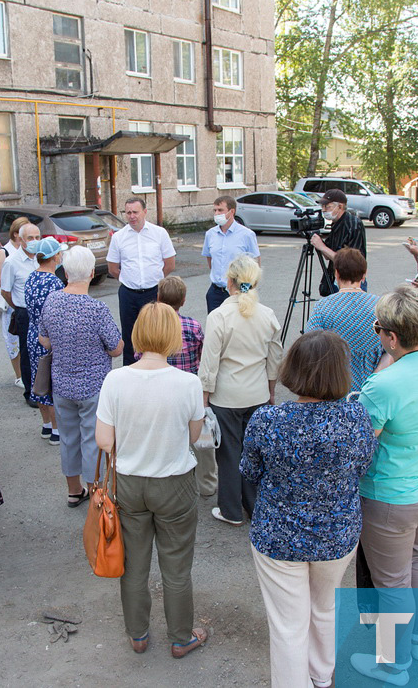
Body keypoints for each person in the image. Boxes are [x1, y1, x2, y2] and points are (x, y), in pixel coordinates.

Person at [240, 330, 376, 688]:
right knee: (326, 606)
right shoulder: (356, 418)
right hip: (338, 532)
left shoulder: (267, 420)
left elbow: (250, 472)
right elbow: (362, 467)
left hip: (278, 535)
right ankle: (321, 675)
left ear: (293, 368)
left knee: (288, 624)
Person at [350, 286, 418, 685]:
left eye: (378, 329)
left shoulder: (384, 385)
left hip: (395, 499)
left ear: (391, 338)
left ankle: (392, 663)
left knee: (390, 581)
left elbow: (362, 444)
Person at [95, 302, 208, 659]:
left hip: (128, 482)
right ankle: (180, 637)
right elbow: (193, 436)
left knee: (133, 563)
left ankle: (138, 634)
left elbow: (104, 441)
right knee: (176, 565)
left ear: (137, 335)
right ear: (174, 337)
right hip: (174, 481)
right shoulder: (189, 383)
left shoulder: (116, 379)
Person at [198, 255, 283, 526]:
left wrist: (204, 400)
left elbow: (209, 363)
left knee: (229, 453)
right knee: (253, 453)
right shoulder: (267, 315)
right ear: (254, 282)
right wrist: (271, 391)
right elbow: (274, 359)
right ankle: (254, 504)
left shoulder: (219, 316)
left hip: (226, 396)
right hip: (257, 394)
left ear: (229, 281)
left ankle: (231, 510)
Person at [39, 246, 123, 507]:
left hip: (62, 382)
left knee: (68, 437)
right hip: (93, 384)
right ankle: (96, 492)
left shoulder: (52, 301)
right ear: (89, 273)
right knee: (92, 439)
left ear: (65, 272)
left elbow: (44, 339)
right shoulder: (96, 309)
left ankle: (74, 490)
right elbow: (116, 347)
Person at [156, 276, 215, 497]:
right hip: (189, 390)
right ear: (184, 300)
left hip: (161, 390)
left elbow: (139, 355)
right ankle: (207, 483)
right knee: (201, 437)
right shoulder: (193, 326)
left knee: (166, 434)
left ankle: (168, 480)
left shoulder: (152, 327)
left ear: (159, 298)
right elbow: (203, 355)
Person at [107, 197, 176, 365]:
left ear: (145, 212)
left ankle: (157, 367)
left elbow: (169, 264)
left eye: (135, 212)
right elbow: (113, 268)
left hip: (154, 292)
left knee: (155, 333)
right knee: (130, 335)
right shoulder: (119, 237)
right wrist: (130, 279)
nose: (132, 216)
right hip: (129, 294)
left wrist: (154, 279)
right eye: (128, 212)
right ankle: (131, 371)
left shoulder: (159, 233)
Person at [305, 248, 383, 395]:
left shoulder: (323, 306)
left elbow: (310, 345)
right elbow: (392, 349)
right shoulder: (381, 306)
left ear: (337, 273)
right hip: (373, 388)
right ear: (364, 274)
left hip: (334, 386)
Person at [25, 237, 67, 445]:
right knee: (51, 382)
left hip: (32, 335)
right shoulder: (54, 282)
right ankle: (57, 429)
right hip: (48, 337)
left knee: (39, 379)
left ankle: (46, 425)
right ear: (54, 257)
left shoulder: (31, 278)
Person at [0, 219, 42, 408]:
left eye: (37, 237)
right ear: (21, 240)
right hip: (25, 312)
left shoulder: (41, 258)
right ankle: (30, 391)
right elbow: (5, 291)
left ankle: (44, 388)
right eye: (30, 238)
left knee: (43, 350)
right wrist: (18, 308)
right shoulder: (11, 262)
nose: (34, 240)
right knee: (26, 352)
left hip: (43, 311)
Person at [202, 195, 260, 312]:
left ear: (231, 211)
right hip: (216, 292)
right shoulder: (210, 234)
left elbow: (255, 264)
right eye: (215, 210)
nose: (217, 214)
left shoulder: (246, 234)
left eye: (220, 210)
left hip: (238, 291)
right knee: (216, 326)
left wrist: (247, 289)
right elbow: (210, 259)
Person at [309, 188, 367, 294]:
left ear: (340, 206)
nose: (324, 210)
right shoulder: (335, 223)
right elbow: (328, 255)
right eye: (322, 206)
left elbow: (350, 262)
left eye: (327, 206)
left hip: (351, 282)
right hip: (336, 277)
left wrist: (322, 246)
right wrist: (319, 244)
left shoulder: (353, 224)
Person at [0, 217, 29, 389]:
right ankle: (19, 375)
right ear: (16, 234)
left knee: (25, 340)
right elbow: (0, 279)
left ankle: (28, 372)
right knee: (13, 339)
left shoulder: (29, 252)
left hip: (24, 303)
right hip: (12, 304)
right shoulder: (5, 252)